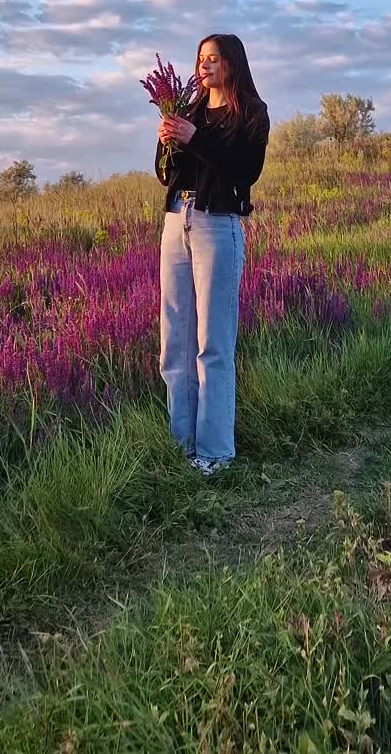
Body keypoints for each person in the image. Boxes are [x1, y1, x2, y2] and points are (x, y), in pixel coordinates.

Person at [154, 34, 270, 476]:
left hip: (217, 224)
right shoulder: (188, 111)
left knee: (212, 346)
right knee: (174, 344)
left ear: (232, 64)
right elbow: (165, 173)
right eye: (200, 59)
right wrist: (168, 141)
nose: (203, 67)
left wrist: (195, 138)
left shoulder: (251, 115)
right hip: (176, 220)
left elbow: (245, 169)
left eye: (213, 59)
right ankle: (179, 446)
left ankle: (216, 453)